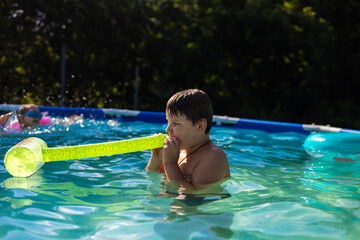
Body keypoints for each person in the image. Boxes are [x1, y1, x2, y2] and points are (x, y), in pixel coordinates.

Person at [146, 89, 230, 191]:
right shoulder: (178, 152)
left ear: (200, 126)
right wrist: (156, 159)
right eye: (168, 122)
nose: (167, 129)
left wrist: (170, 163)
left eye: (175, 123)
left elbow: (192, 195)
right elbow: (151, 177)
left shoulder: (213, 157)